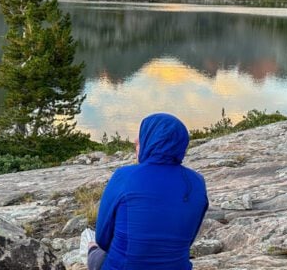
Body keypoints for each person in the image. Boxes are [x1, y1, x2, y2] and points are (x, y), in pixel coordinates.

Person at [84, 113, 208, 270]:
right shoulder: (197, 182)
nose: (136, 140)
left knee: (92, 245)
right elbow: (188, 239)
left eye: (142, 135)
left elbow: (102, 239)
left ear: (151, 141)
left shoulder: (124, 176)